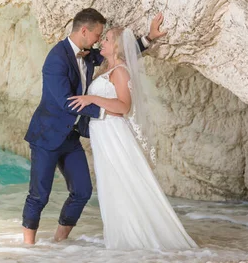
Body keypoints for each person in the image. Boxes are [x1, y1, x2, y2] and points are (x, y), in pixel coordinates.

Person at [22, 8, 167, 245]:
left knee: (82, 191)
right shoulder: (56, 58)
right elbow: (67, 102)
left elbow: (119, 56)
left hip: (70, 136)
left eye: (103, 38)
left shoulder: (88, 54)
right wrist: (106, 111)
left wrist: (148, 39)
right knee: (39, 195)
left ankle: (59, 242)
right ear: (84, 31)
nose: (99, 41)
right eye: (98, 35)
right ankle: (28, 248)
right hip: (46, 135)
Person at [67, 27, 197, 250]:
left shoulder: (120, 71)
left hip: (113, 133)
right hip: (103, 134)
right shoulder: (109, 68)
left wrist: (92, 98)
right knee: (111, 185)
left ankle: (135, 238)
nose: (102, 44)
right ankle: (120, 236)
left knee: (122, 183)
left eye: (107, 40)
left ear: (117, 46)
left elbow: (123, 107)